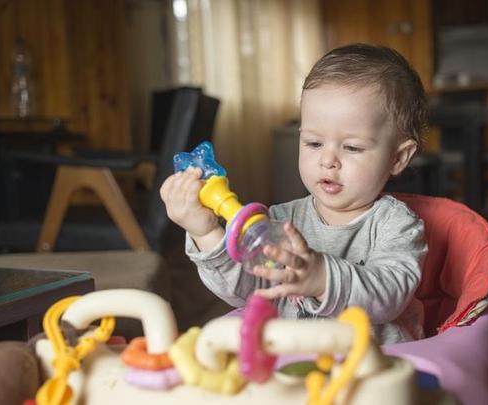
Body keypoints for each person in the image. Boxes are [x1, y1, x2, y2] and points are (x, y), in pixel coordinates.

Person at [160, 43, 428, 344]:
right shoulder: (280, 220)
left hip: (374, 367)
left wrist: (320, 278)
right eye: (314, 143)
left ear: (397, 158)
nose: (328, 160)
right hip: (293, 362)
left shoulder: (397, 225)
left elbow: (390, 294)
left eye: (352, 147)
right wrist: (205, 230)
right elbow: (245, 290)